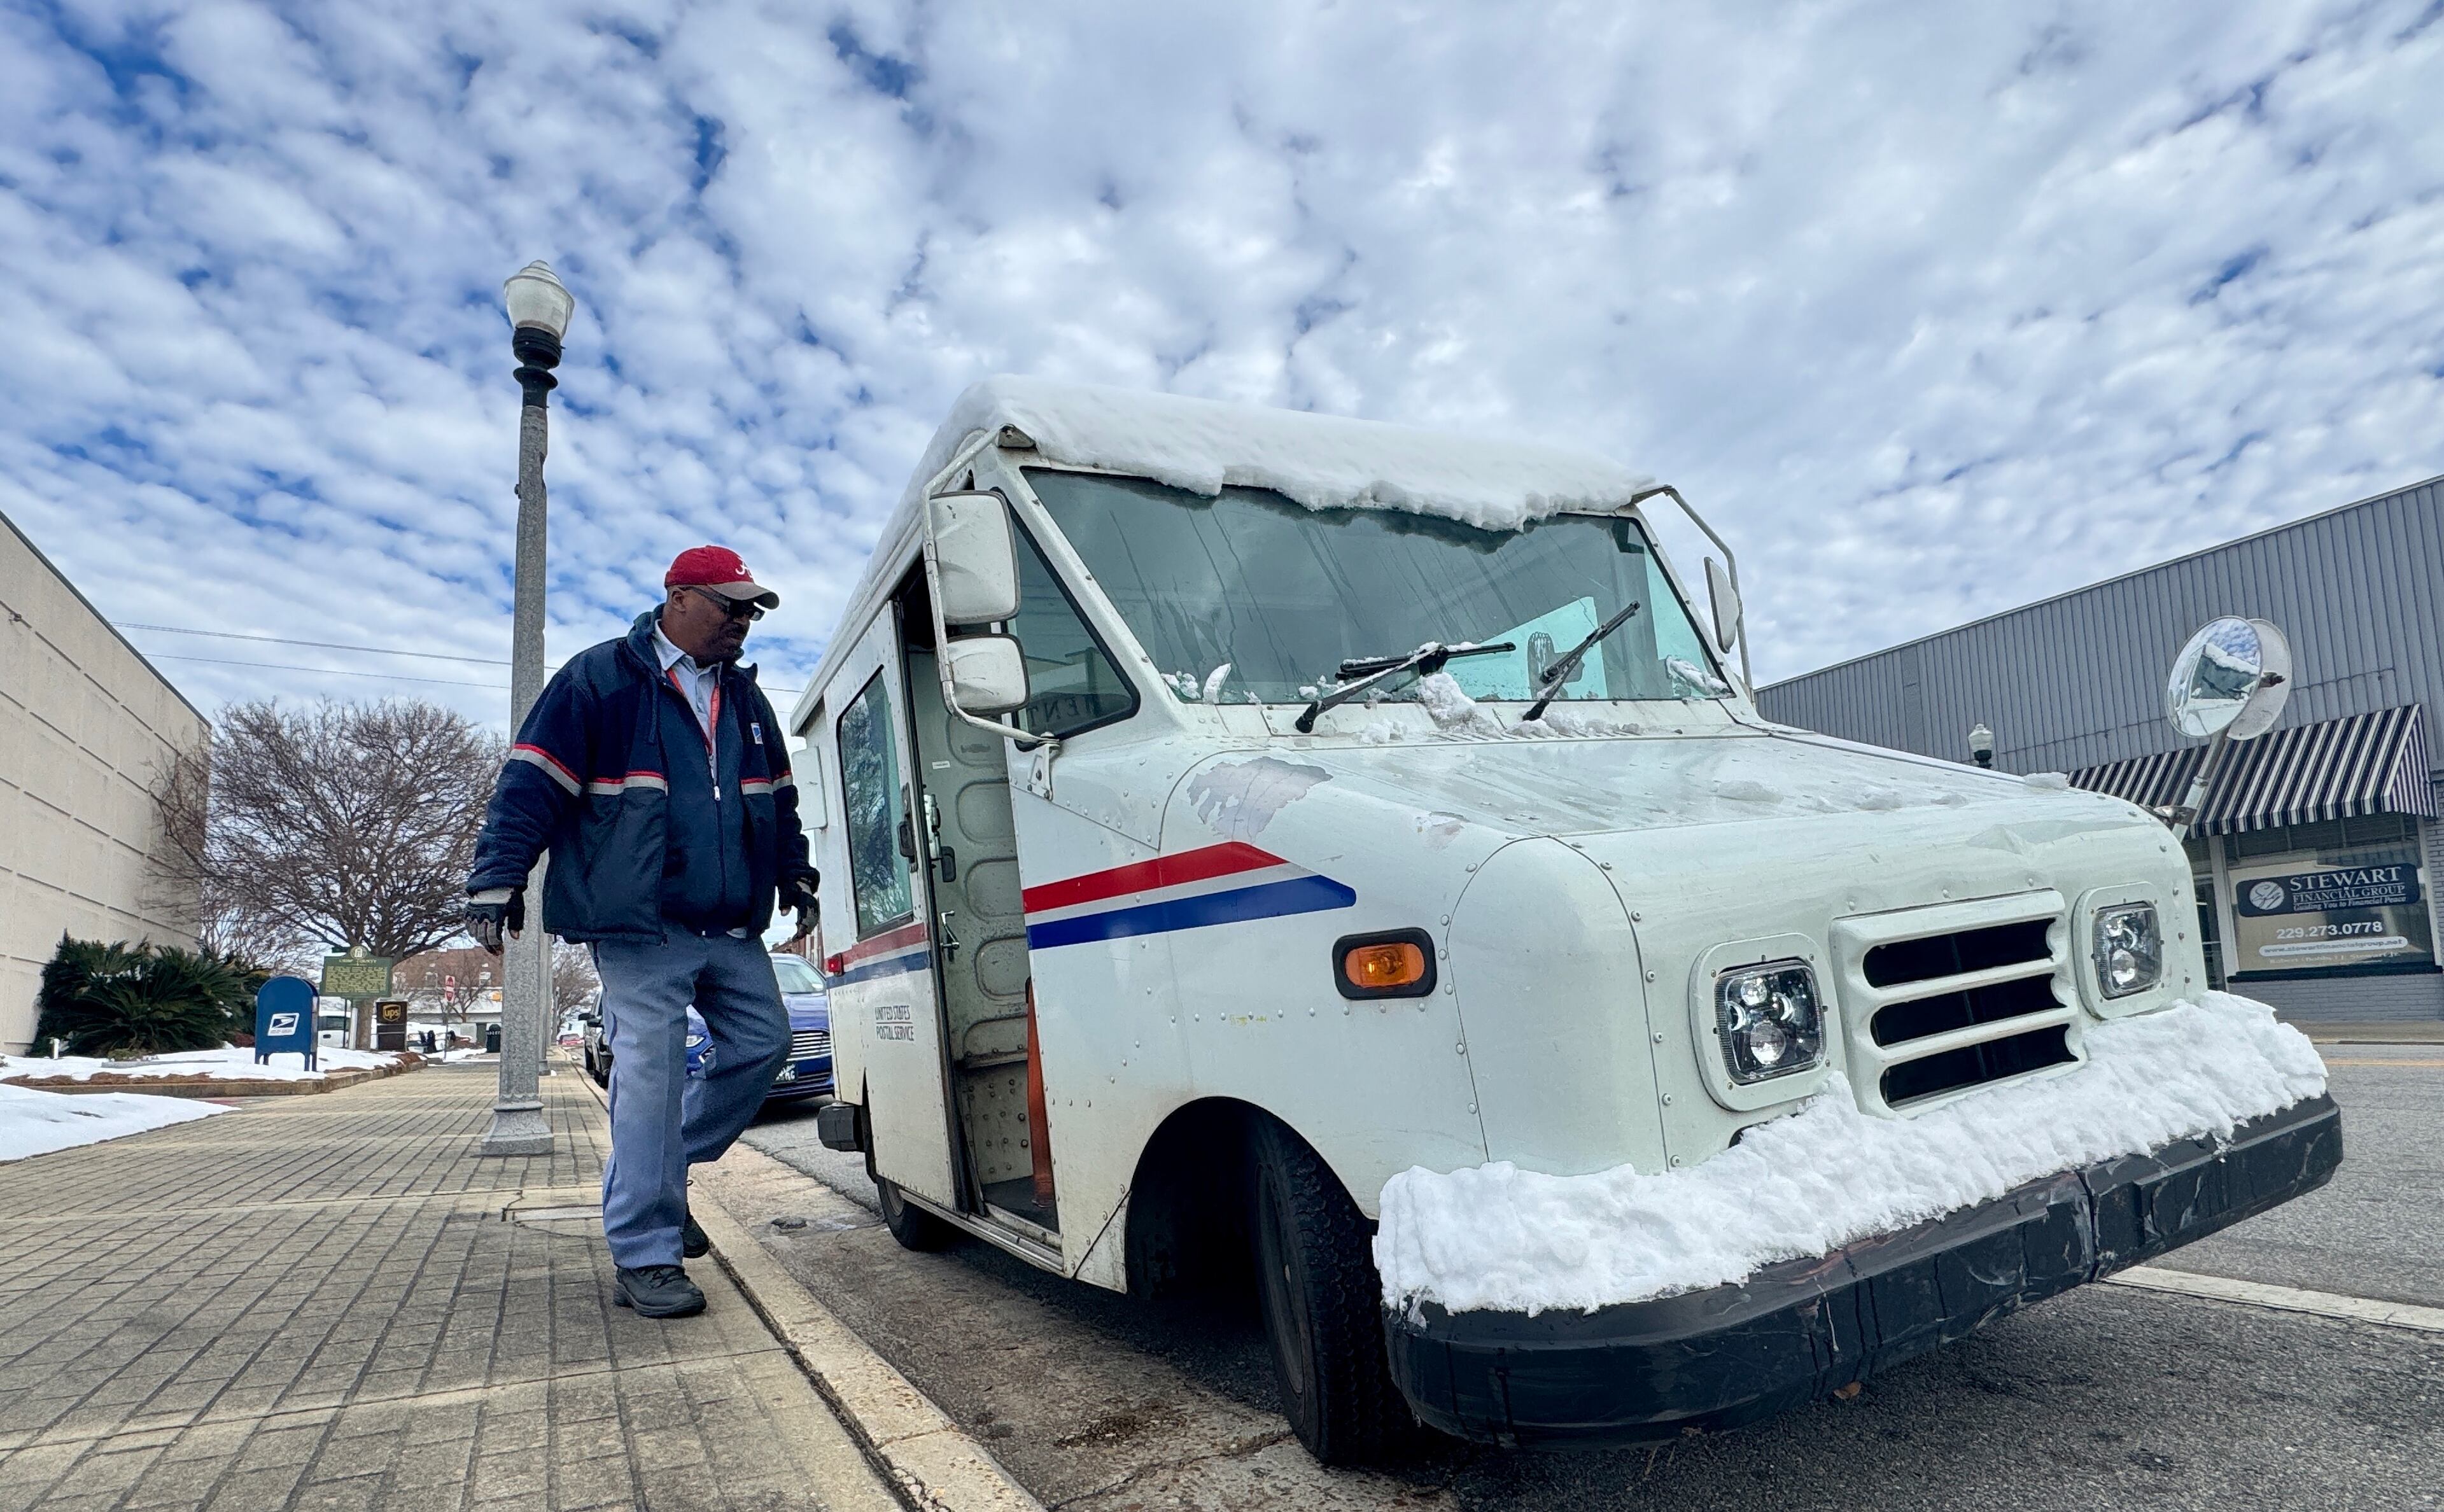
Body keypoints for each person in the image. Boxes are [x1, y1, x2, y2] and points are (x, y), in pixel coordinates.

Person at [464, 545, 817, 1318]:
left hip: (728, 923)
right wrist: (497, 875)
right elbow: (530, 783)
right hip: (638, 925)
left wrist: (795, 875)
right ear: (681, 599)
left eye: (752, 609)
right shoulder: (601, 680)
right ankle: (647, 1251)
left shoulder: (748, 704)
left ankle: (664, 1174)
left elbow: (777, 804)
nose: (744, 621)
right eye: (732, 605)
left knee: (764, 1045)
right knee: (651, 1080)